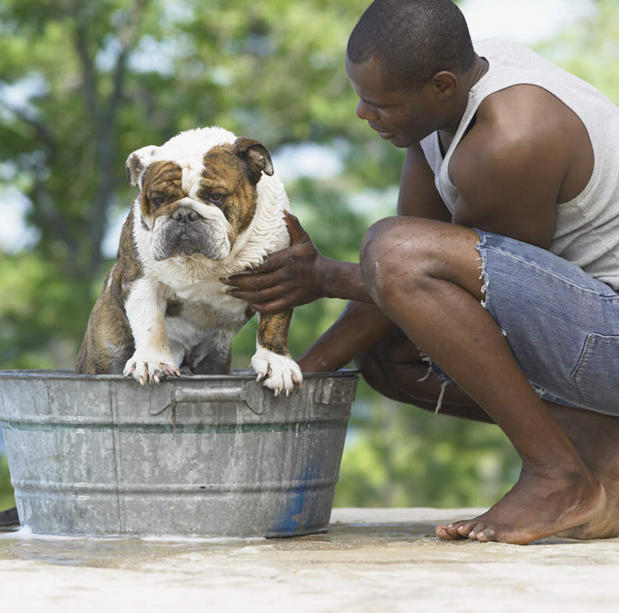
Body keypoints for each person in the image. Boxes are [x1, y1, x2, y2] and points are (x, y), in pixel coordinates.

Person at [222, 0, 619, 545]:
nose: (363, 115)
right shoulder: (446, 107)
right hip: (587, 332)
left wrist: (325, 277)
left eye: (378, 103)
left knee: (392, 248)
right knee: (388, 358)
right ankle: (605, 453)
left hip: (610, 332)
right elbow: (411, 282)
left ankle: (559, 477)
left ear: (440, 85)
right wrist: (302, 376)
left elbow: (457, 284)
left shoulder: (511, 138)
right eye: (361, 97)